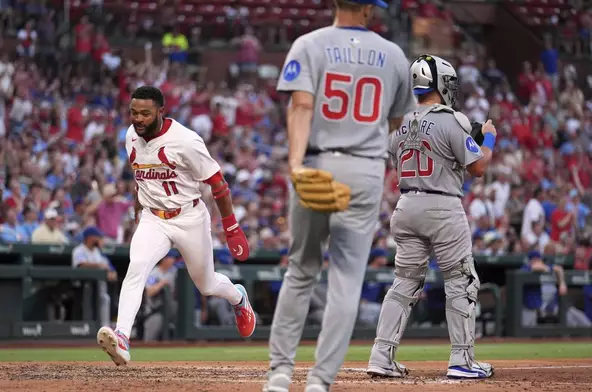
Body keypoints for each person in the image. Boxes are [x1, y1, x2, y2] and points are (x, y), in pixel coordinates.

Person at [263, 0, 416, 390]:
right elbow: (400, 127)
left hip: (315, 161)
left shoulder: (309, 43)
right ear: (368, 8)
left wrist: (296, 166)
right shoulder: (393, 54)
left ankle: (280, 374)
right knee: (347, 279)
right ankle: (320, 381)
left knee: (301, 269)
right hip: (364, 167)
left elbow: (301, 106)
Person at [97, 86, 256, 366]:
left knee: (206, 285)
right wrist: (138, 214)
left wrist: (231, 227)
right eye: (134, 112)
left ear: (161, 111)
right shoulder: (131, 136)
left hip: (189, 217)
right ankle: (121, 337)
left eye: (145, 113)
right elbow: (141, 180)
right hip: (153, 218)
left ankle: (238, 297)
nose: (138, 118)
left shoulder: (185, 141)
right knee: (136, 269)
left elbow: (218, 184)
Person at [367, 54, 496, 380]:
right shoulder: (451, 119)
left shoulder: (398, 122)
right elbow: (478, 167)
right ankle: (462, 360)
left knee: (405, 282)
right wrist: (489, 137)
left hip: (406, 204)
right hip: (442, 207)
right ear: (440, 83)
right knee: (462, 279)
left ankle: (381, 356)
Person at [72, 227, 116, 328]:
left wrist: (111, 271)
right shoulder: (78, 251)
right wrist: (98, 265)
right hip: (81, 286)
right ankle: (87, 327)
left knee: (105, 297)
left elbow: (108, 265)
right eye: (97, 237)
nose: (99, 239)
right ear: (90, 238)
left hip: (98, 286)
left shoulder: (98, 251)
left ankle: (104, 326)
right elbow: (81, 264)